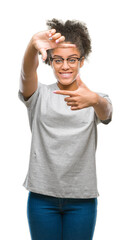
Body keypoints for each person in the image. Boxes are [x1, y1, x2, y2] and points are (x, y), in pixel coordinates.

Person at [18, 18, 113, 240]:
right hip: (42, 198)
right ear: (50, 61)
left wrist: (95, 100)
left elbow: (107, 112)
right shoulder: (39, 95)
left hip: (82, 199)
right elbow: (25, 76)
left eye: (72, 59)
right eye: (58, 60)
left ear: (81, 60)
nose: (65, 66)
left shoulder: (93, 98)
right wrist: (32, 46)